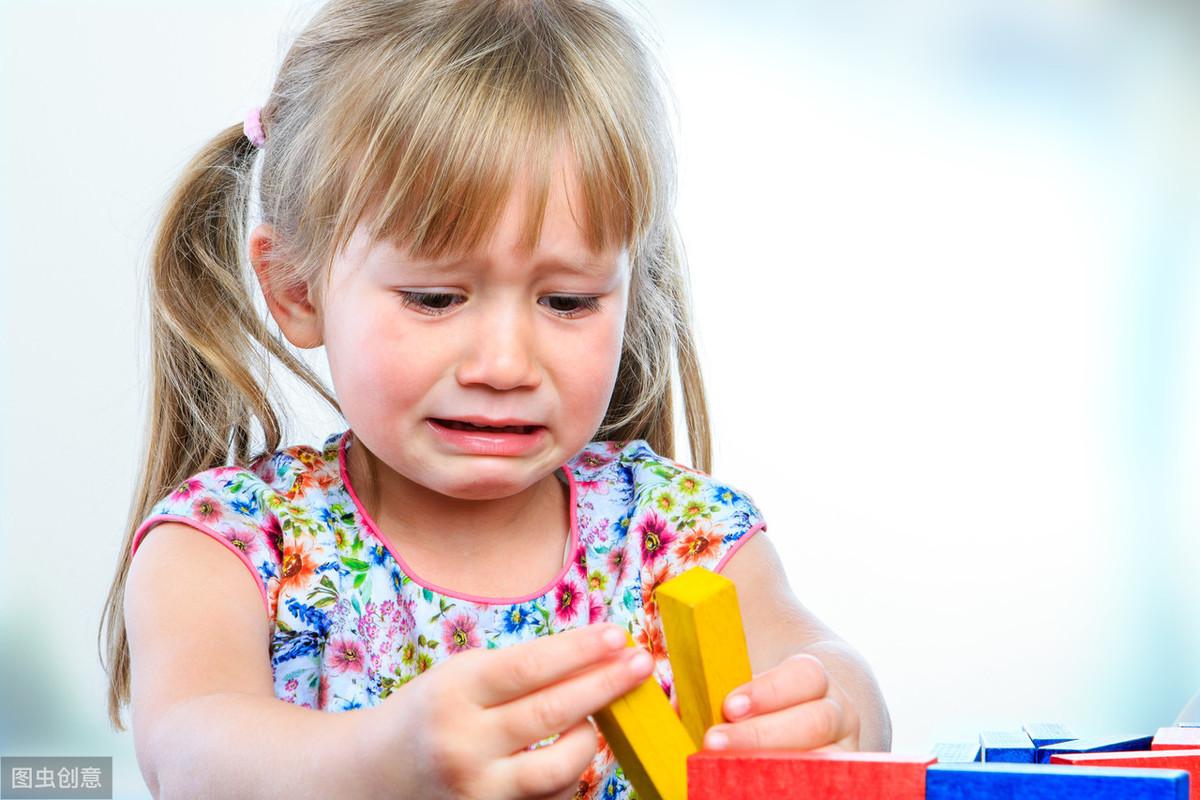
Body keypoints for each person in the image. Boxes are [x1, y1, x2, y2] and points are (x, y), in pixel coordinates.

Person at [99, 0, 892, 797]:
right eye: (437, 298)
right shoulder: (230, 546)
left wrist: (832, 708)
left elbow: (827, 669)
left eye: (569, 302)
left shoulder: (675, 535)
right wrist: (385, 760)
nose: (506, 363)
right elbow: (190, 755)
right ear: (296, 287)